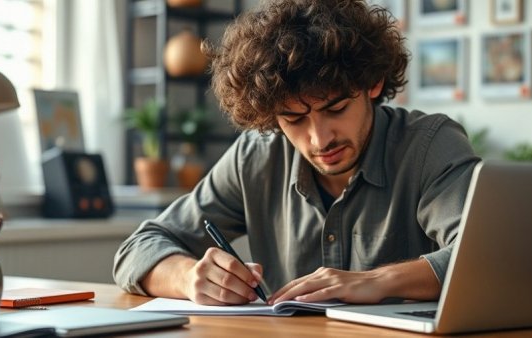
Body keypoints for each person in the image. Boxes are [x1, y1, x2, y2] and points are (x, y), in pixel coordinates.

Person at [113, 0, 480, 306]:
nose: (319, 140)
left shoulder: (429, 144)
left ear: (373, 83)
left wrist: (379, 281)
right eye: (294, 119)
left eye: (336, 109)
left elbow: (487, 254)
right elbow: (138, 249)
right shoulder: (256, 158)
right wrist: (190, 277)